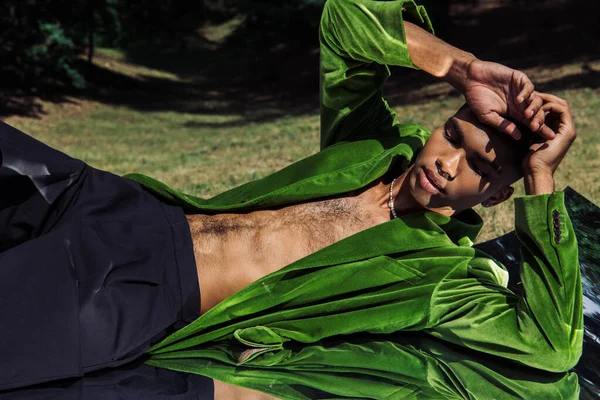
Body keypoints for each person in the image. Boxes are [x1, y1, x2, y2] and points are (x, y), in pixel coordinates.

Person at [0, 0, 582, 397]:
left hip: (138, 294)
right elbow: (344, 20)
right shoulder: (373, 145)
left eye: (478, 167)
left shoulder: (441, 278)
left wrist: (541, 179)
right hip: (126, 208)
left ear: (499, 192)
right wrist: (463, 68)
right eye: (452, 136)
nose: (446, 163)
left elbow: (552, 344)